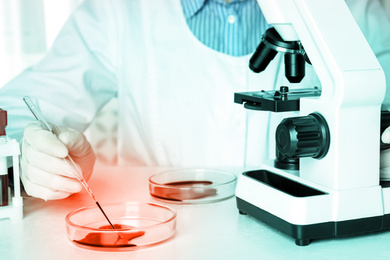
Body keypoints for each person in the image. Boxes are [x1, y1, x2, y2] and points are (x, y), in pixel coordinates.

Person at [1, 0, 390, 200]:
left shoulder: (353, 10)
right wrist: (32, 151)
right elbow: (16, 111)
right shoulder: (116, 10)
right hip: (158, 237)